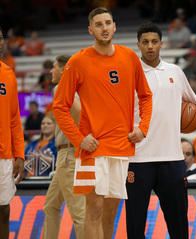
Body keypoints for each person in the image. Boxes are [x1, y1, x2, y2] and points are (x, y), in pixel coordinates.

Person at [52, 7, 153, 239]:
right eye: (99, 24)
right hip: (93, 148)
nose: (104, 28)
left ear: (114, 26)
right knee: (94, 210)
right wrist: (79, 139)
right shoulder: (78, 61)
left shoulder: (129, 57)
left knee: (110, 213)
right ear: (91, 30)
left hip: (122, 148)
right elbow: (59, 106)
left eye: (108, 23)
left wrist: (143, 127)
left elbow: (146, 96)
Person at [125, 22, 196, 239]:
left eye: (154, 42)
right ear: (138, 45)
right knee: (135, 224)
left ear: (161, 44)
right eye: (145, 42)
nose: (150, 46)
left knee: (178, 223)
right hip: (137, 159)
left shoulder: (175, 71)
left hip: (172, 158)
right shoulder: (129, 74)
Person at [42, 55, 85, 238]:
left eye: (54, 67)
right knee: (50, 206)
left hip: (69, 153)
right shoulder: (76, 87)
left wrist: (77, 136)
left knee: (79, 212)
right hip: (67, 154)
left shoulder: (61, 86)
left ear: (64, 69)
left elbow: (79, 112)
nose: (51, 71)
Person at [0, 25, 25, 239]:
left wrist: (20, 155)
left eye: (0, 38)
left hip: (4, 156)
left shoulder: (8, 73)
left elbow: (15, 119)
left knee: (3, 210)